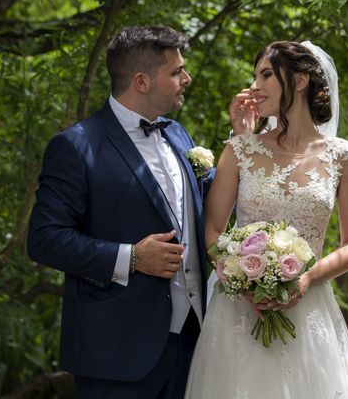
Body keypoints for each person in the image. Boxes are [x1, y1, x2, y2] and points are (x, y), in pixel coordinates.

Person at [28, 25, 248, 398]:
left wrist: (242, 140)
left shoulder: (178, 135)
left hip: (193, 342)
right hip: (116, 351)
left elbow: (212, 207)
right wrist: (131, 258)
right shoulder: (77, 146)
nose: (186, 79)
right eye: (176, 72)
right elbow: (44, 239)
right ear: (142, 81)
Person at [184, 41, 348, 398]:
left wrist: (307, 278)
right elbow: (211, 229)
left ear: (299, 81)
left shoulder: (343, 157)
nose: (254, 86)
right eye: (254, 76)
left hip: (309, 307)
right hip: (238, 310)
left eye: (266, 74)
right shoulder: (240, 149)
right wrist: (240, 278)